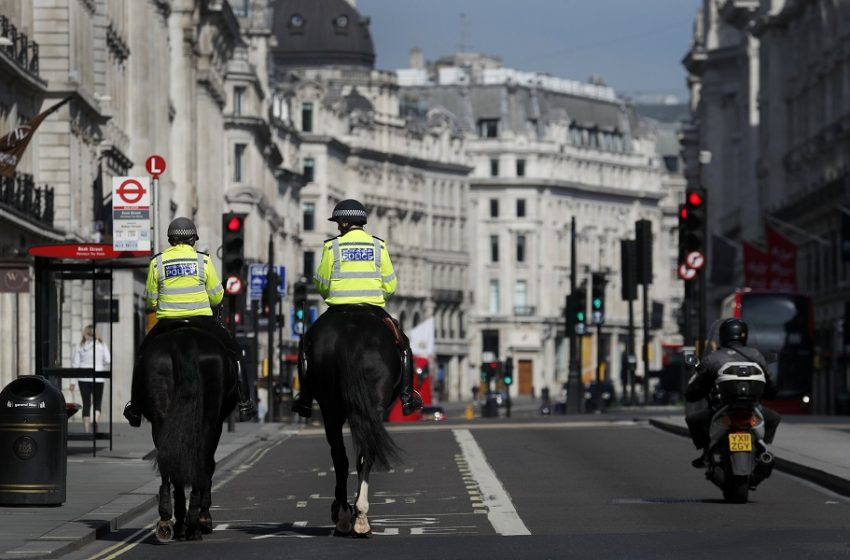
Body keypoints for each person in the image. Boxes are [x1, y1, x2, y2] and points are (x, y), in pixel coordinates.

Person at [291, 199, 423, 418]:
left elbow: (322, 282)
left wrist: (331, 295)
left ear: (344, 222)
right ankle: (408, 395)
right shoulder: (378, 246)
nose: (337, 227)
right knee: (404, 345)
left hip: (338, 309)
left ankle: (305, 398)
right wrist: (378, 297)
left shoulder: (332, 246)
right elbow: (390, 284)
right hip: (373, 308)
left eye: (337, 222)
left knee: (307, 345)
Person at [123, 217, 256, 426]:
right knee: (235, 352)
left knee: (142, 357)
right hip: (202, 320)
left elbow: (150, 297)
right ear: (193, 239)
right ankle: (245, 403)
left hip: (168, 323)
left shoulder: (157, 261)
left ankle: (136, 409)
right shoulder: (203, 261)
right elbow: (216, 297)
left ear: (170, 240)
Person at [684, 318, 781, 468]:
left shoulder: (713, 358)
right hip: (752, 408)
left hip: (722, 408)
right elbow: (770, 383)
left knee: (693, 420)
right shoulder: (755, 355)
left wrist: (692, 394)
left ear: (723, 335)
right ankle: (764, 450)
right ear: (744, 335)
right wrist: (770, 394)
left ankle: (705, 454)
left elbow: (698, 385)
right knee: (774, 418)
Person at [71, 324, 111, 433]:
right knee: (97, 403)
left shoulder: (80, 346)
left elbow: (75, 364)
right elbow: (108, 359)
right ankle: (96, 420)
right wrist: (99, 364)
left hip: (83, 377)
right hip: (98, 377)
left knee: (86, 403)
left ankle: (86, 430)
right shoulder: (101, 345)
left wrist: (72, 382)